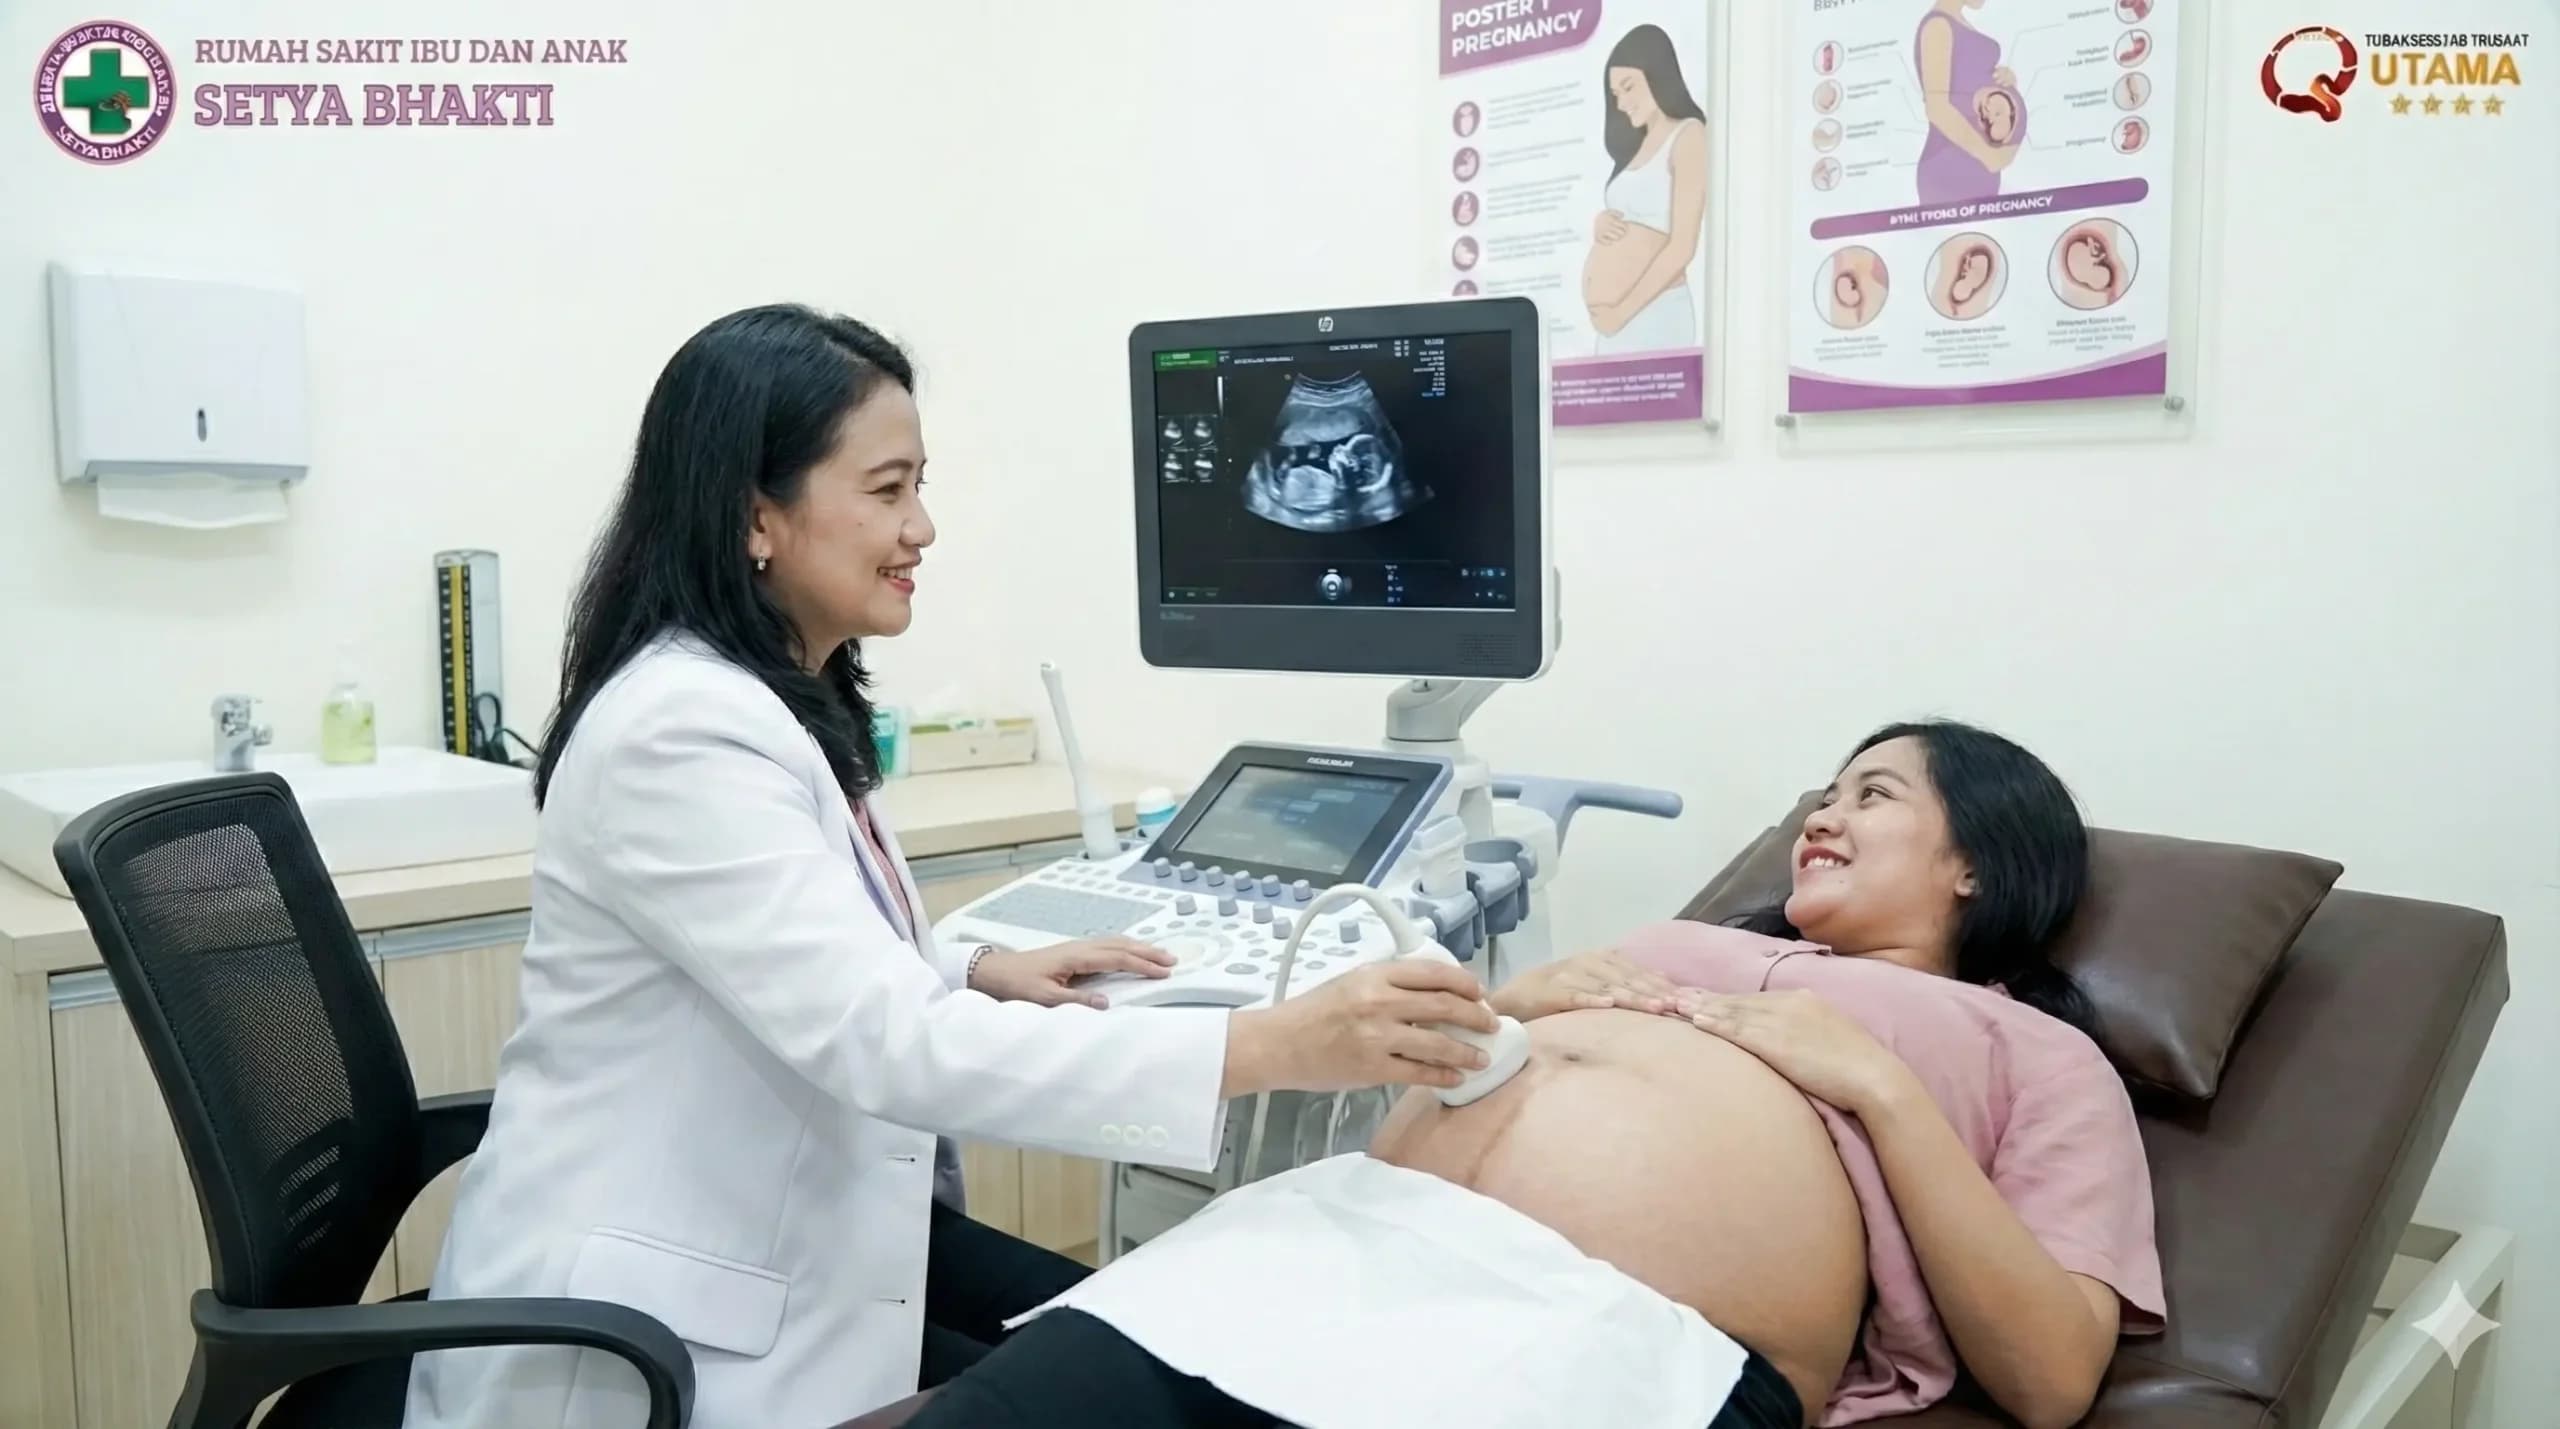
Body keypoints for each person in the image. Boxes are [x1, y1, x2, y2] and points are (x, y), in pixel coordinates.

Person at [400, 303, 1506, 1429]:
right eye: (886, 490)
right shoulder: (680, 734)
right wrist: (1273, 1046)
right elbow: (887, 1045)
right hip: (657, 1339)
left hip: (785, 1249)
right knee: (1173, 1378)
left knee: (1167, 1335)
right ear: (755, 518)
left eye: (920, 484)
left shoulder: (779, 694)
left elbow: (810, 957)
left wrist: (966, 971)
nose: (922, 525)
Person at [904, 720, 2164, 1429]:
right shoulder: (1681, 944)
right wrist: (1500, 1006)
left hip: (1614, 1351)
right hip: (1321, 1258)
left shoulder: (2035, 1052)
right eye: (1819, 794)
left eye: (1872, 795)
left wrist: (1878, 1089)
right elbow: (1451, 1075)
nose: (1818, 816)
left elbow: (2054, 1377)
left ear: (1980, 866)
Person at [1581, 23, 1709, 353]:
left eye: (1629, 87)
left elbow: (1682, 246)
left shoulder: (1688, 135)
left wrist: (1620, 313)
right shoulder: (1634, 146)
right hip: (1616, 323)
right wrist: (1601, 226)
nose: (1622, 103)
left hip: (1656, 311)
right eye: (1615, 95)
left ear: (1658, 75)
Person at [1916, 0, 2020, 203]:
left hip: (1978, 163)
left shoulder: (1958, 22)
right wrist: (1989, 156)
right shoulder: (1938, 25)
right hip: (1951, 164)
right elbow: (1937, 108)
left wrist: (2005, 81)